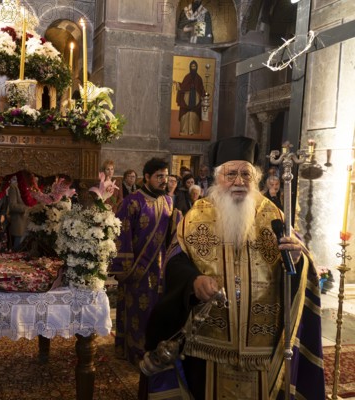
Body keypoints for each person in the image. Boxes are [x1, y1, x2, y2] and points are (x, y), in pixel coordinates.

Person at [142, 137, 325, 399]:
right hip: (208, 344)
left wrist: (297, 258)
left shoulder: (273, 215)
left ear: (255, 178)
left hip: (263, 347)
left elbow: (300, 267)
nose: (239, 181)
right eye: (231, 174)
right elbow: (174, 264)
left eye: (245, 174)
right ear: (218, 178)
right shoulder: (196, 217)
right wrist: (194, 282)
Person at [110, 158, 180, 366]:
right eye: (159, 177)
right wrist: (125, 269)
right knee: (137, 311)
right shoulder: (131, 201)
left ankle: (155, 350)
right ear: (146, 177)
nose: (164, 181)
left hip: (160, 268)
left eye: (166, 177)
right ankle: (135, 351)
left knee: (157, 311)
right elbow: (121, 234)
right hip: (137, 269)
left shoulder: (168, 201)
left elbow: (170, 233)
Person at [176, 60, 205, 135]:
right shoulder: (187, 77)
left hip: (196, 99)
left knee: (194, 114)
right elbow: (183, 87)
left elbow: (201, 88)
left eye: (194, 66)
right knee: (186, 114)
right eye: (192, 66)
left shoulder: (199, 78)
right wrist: (178, 84)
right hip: (187, 98)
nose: (193, 68)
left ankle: (193, 131)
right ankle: (184, 131)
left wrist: (202, 95)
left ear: (196, 67)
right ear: (190, 67)